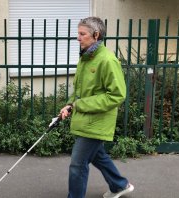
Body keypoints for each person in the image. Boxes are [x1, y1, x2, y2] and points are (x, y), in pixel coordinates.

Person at [59, 16, 134, 198]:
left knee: (77, 164)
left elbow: (116, 95)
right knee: (98, 156)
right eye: (78, 33)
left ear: (96, 34)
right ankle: (120, 185)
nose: (78, 38)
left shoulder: (107, 60)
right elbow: (80, 91)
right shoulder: (86, 58)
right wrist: (70, 104)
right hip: (86, 119)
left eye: (82, 34)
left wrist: (80, 104)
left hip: (96, 122)